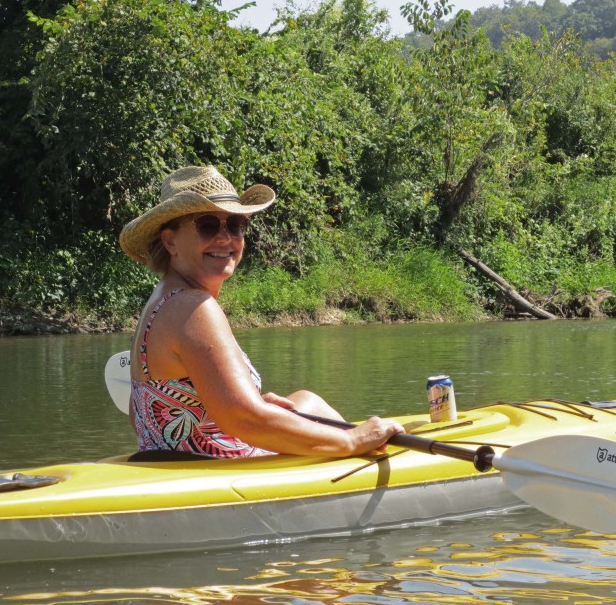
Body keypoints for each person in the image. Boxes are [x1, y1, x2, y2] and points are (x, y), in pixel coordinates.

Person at [119, 165, 404, 458]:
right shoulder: (192, 307)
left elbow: (140, 414)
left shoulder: (161, 302)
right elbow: (244, 418)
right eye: (207, 225)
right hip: (210, 472)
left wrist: (244, 404)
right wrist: (353, 441)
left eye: (235, 225)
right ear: (170, 241)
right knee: (323, 418)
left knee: (306, 401)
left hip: (173, 462)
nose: (225, 237)